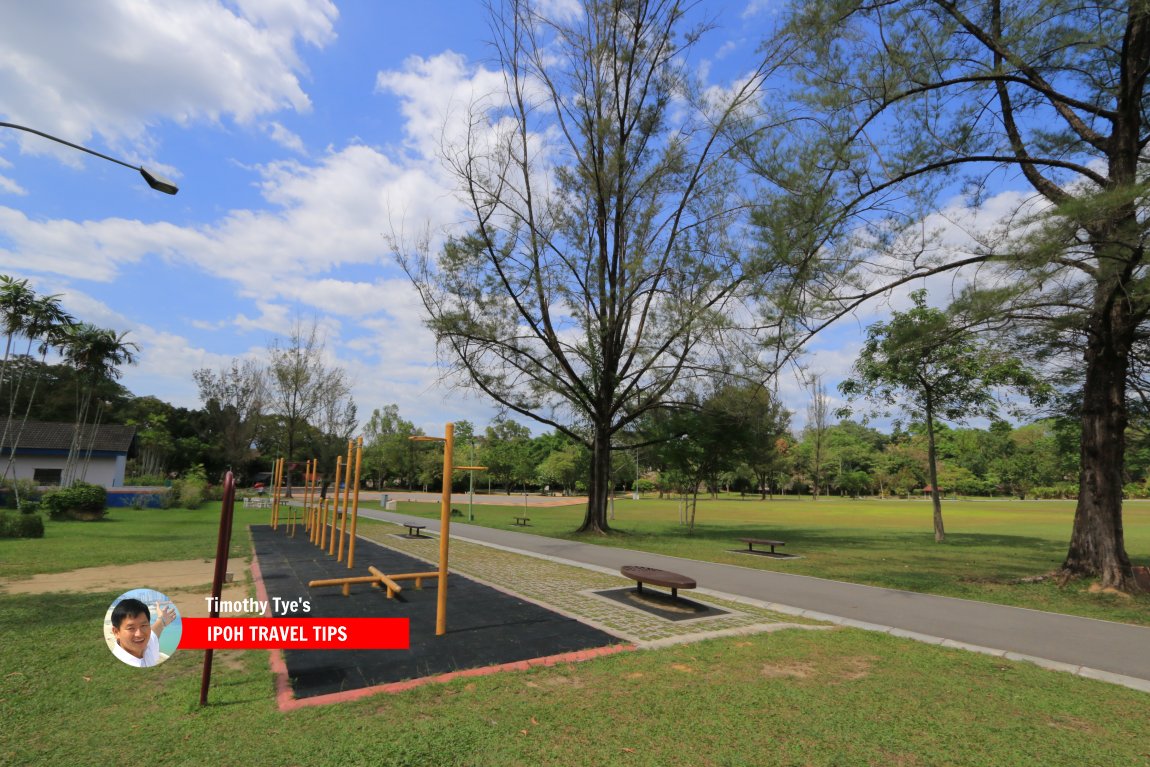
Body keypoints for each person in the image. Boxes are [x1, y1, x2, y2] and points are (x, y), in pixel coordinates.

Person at [109, 598, 176, 668]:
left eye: (143, 626)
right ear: (116, 632)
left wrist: (162, 620)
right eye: (131, 628)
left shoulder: (148, 645)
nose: (139, 634)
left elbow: (155, 631)